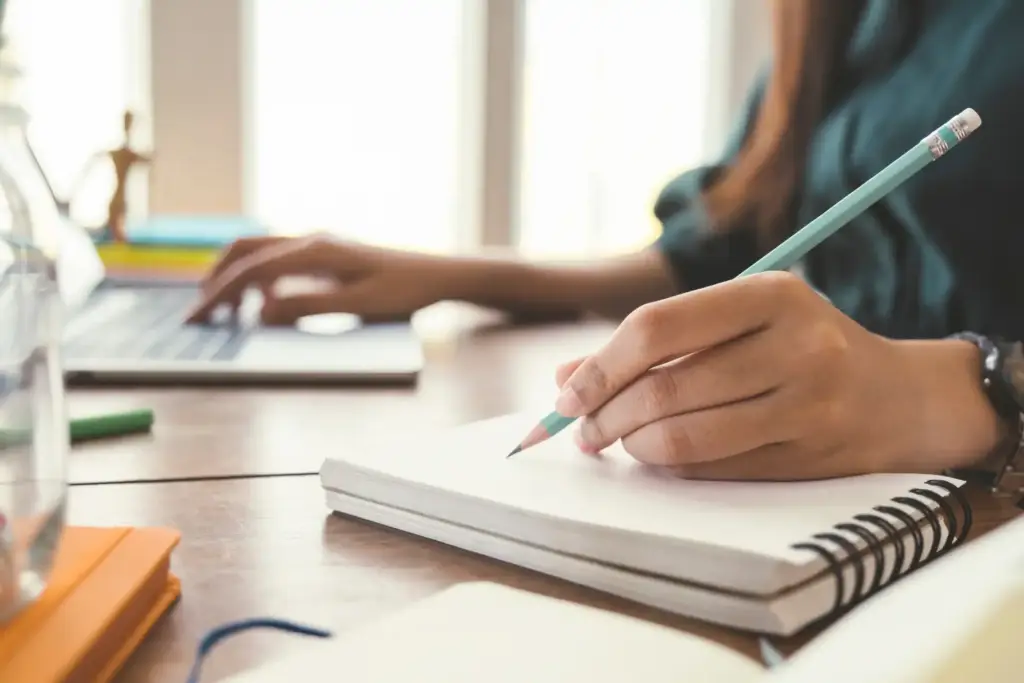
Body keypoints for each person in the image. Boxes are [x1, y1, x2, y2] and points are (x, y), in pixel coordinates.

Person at [188, 0, 1024, 482]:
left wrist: (957, 388)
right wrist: (451, 272)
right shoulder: (846, 18)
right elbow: (709, 251)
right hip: (805, 490)